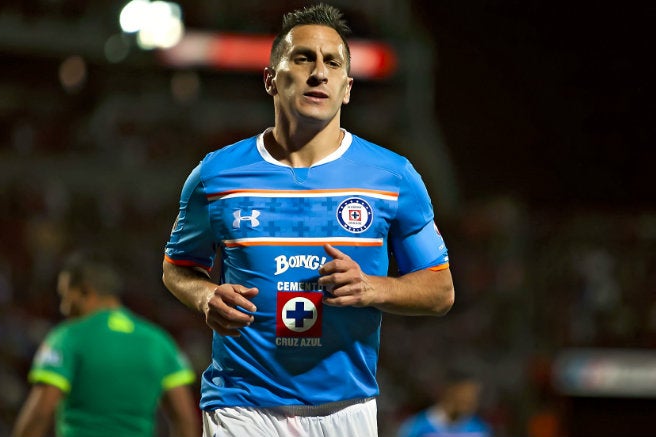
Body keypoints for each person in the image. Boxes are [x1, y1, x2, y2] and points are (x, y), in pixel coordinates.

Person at [162, 3, 454, 436]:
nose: (319, 73)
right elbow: (177, 268)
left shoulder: (392, 176)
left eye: (332, 63)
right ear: (270, 80)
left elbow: (440, 290)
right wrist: (205, 297)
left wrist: (372, 287)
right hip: (241, 405)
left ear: (347, 87)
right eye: (303, 58)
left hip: (346, 409)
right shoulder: (216, 174)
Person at [13, 250, 199, 437]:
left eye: (65, 296)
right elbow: (184, 419)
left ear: (85, 291)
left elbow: (40, 414)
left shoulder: (68, 337)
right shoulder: (159, 342)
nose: (63, 307)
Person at [396, 369, 492, 437]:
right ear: (449, 392)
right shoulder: (417, 427)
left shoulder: (479, 429)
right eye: (465, 396)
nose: (471, 401)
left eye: (474, 397)